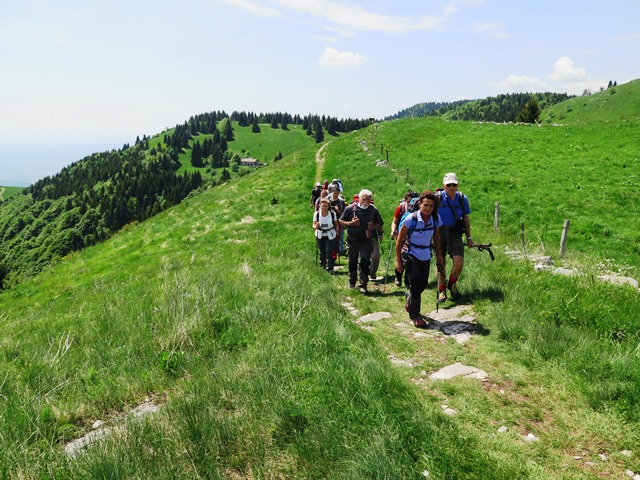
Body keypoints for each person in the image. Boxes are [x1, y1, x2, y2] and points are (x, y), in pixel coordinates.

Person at [395, 191, 443, 328]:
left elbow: (437, 237)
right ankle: (415, 315)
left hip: (425, 254)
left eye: (431, 206)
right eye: (425, 205)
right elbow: (399, 240)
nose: (428, 209)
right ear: (419, 204)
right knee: (416, 283)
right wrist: (398, 260)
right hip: (410, 253)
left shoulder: (435, 218)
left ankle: (410, 297)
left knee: (423, 283)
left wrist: (439, 255)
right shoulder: (411, 219)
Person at [436, 172, 474, 302]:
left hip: (455, 232)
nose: (451, 187)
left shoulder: (463, 199)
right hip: (439, 232)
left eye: (454, 184)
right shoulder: (438, 198)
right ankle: (441, 289)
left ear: (458, 185)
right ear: (443, 185)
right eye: (448, 185)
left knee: (459, 262)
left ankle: (451, 283)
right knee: (441, 262)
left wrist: (469, 238)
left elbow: (466, 219)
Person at [339, 189, 382, 294]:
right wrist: (351, 224)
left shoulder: (373, 210)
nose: (366, 201)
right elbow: (340, 221)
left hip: (366, 241)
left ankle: (363, 284)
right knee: (352, 262)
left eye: (368, 199)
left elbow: (379, 223)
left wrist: (374, 226)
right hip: (352, 241)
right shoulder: (350, 208)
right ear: (359, 198)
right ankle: (352, 282)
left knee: (364, 262)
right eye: (364, 199)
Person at [390, 189, 417, 286]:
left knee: (409, 258)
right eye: (409, 201)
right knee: (400, 257)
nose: (411, 203)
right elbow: (395, 221)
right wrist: (393, 231)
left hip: (412, 237)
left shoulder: (418, 210)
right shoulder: (400, 208)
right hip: (401, 236)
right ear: (406, 200)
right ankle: (398, 276)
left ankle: (407, 279)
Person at [313, 198, 339, 274]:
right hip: (320, 233)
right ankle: (322, 266)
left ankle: (330, 268)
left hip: (330, 233)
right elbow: (313, 225)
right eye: (322, 206)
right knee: (322, 251)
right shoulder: (316, 214)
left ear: (328, 206)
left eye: (326, 206)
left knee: (329, 250)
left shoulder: (332, 214)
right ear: (320, 206)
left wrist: (337, 231)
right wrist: (316, 226)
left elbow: (336, 224)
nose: (324, 208)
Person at [328, 188, 347, 256]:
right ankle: (331, 250)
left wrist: (337, 210)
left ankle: (340, 249)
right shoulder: (328, 200)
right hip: (330, 221)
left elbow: (344, 213)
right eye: (334, 193)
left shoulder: (341, 201)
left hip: (339, 220)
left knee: (340, 234)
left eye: (337, 193)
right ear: (332, 192)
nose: (336, 194)